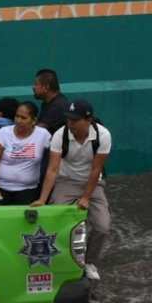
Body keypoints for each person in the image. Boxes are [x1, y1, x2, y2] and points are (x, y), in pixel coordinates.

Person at [31, 99, 111, 282]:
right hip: (65, 182)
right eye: (68, 119)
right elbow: (52, 170)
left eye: (75, 120)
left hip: (92, 183)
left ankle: (89, 262)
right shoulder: (60, 135)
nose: (70, 124)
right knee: (55, 221)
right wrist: (43, 199)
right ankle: (61, 259)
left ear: (88, 120)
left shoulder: (103, 135)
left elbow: (96, 170)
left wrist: (86, 197)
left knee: (102, 226)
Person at [0, 101, 51, 205]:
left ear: (34, 120)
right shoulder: (4, 132)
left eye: (23, 118)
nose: (18, 120)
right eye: (17, 116)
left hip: (29, 189)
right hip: (1, 188)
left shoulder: (43, 135)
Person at [33, 68, 70, 134]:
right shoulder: (47, 103)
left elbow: (38, 132)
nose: (33, 87)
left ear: (46, 87)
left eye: (36, 84)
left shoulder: (58, 106)